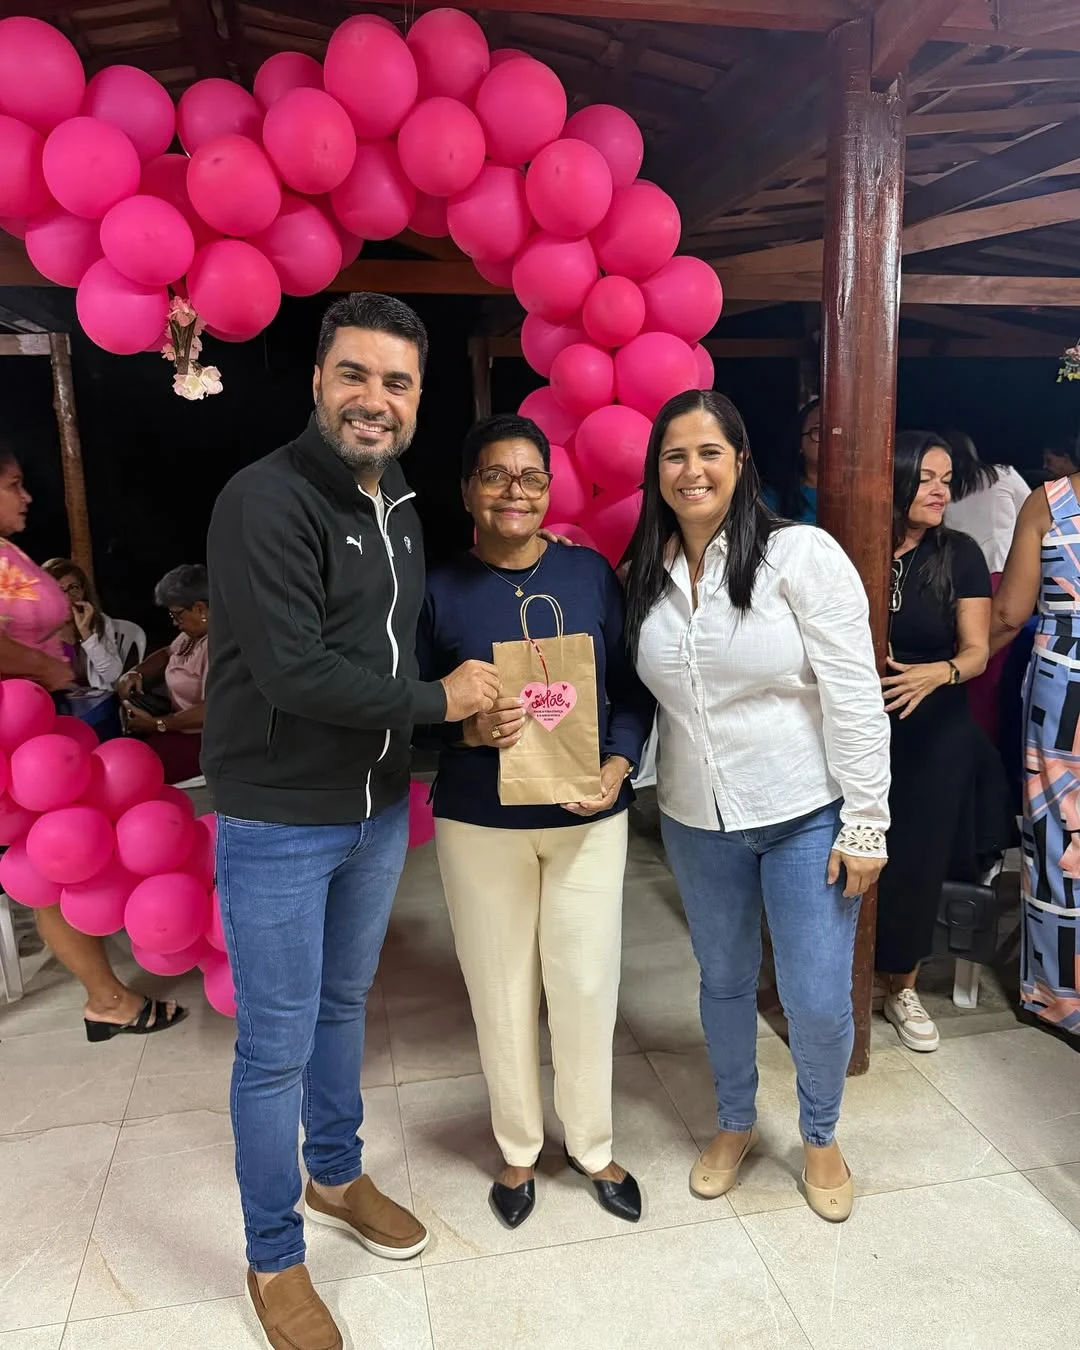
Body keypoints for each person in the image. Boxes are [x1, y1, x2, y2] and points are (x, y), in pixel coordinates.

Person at [204, 293, 503, 1350]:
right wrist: (441, 703)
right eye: (356, 375)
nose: (375, 400)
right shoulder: (264, 500)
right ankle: (271, 1256)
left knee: (342, 1006)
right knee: (274, 1047)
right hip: (280, 818)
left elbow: (400, 643)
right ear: (318, 380)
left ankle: (334, 1173)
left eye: (397, 382)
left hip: (375, 811)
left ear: (417, 399)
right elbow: (295, 672)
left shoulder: (401, 504)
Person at [625, 389, 890, 1224]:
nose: (692, 470)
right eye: (674, 455)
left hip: (803, 810)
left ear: (740, 461)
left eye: (709, 451)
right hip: (695, 817)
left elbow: (854, 693)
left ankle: (820, 1135)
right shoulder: (646, 573)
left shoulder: (798, 555)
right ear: (656, 471)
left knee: (815, 995)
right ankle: (735, 1121)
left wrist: (866, 820)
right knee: (725, 981)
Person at [419, 413, 655, 1230]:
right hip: (481, 822)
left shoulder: (589, 576)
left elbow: (632, 689)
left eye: (530, 477)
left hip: (590, 817)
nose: (514, 491)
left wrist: (620, 765)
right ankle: (518, 1146)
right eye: (495, 475)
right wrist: (465, 731)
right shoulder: (436, 587)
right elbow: (408, 708)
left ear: (549, 489)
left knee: (586, 982)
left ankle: (592, 1145)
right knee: (501, 986)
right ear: (467, 492)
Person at [0, 446, 184, 1039]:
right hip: (17, 739)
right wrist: (47, 669)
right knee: (53, 866)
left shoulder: (7, 550)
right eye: (14, 484)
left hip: (43, 729)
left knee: (74, 853)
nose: (27, 496)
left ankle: (119, 979)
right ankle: (106, 1000)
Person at [875, 432, 998, 1053]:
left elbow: (976, 652)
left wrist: (937, 673)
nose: (940, 491)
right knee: (841, 850)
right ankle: (838, 973)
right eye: (926, 477)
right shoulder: (856, 544)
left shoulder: (961, 553)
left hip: (935, 727)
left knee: (917, 859)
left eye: (946, 480)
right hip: (862, 725)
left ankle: (902, 984)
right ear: (894, 477)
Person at [989, 474, 1080, 1034]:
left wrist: (962, 661)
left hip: (1065, 686)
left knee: (1058, 834)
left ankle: (1061, 999)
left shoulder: (1052, 502)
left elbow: (1010, 612)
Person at [943, 433, 1031, 743]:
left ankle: (962, 739)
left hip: (951, 582)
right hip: (1001, 579)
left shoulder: (944, 489)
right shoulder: (1003, 475)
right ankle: (988, 745)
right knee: (993, 671)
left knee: (961, 664)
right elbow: (1034, 515)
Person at [118, 564, 208, 785]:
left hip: (205, 740)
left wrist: (158, 724)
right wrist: (136, 673)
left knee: (132, 773)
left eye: (177, 614)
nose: (174, 622)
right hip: (177, 726)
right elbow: (167, 653)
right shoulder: (191, 635)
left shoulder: (218, 646)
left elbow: (213, 710)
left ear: (200, 609)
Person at [41, 558, 125, 691]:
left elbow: (113, 675)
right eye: (57, 591)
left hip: (95, 698)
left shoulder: (100, 621)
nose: (67, 598)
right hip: (53, 697)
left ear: (83, 591)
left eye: (73, 588)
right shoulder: (36, 627)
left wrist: (87, 634)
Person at [763, 396, 820, 523]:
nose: (831, 439)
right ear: (800, 443)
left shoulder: (860, 492)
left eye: (837, 431)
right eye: (818, 431)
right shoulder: (775, 497)